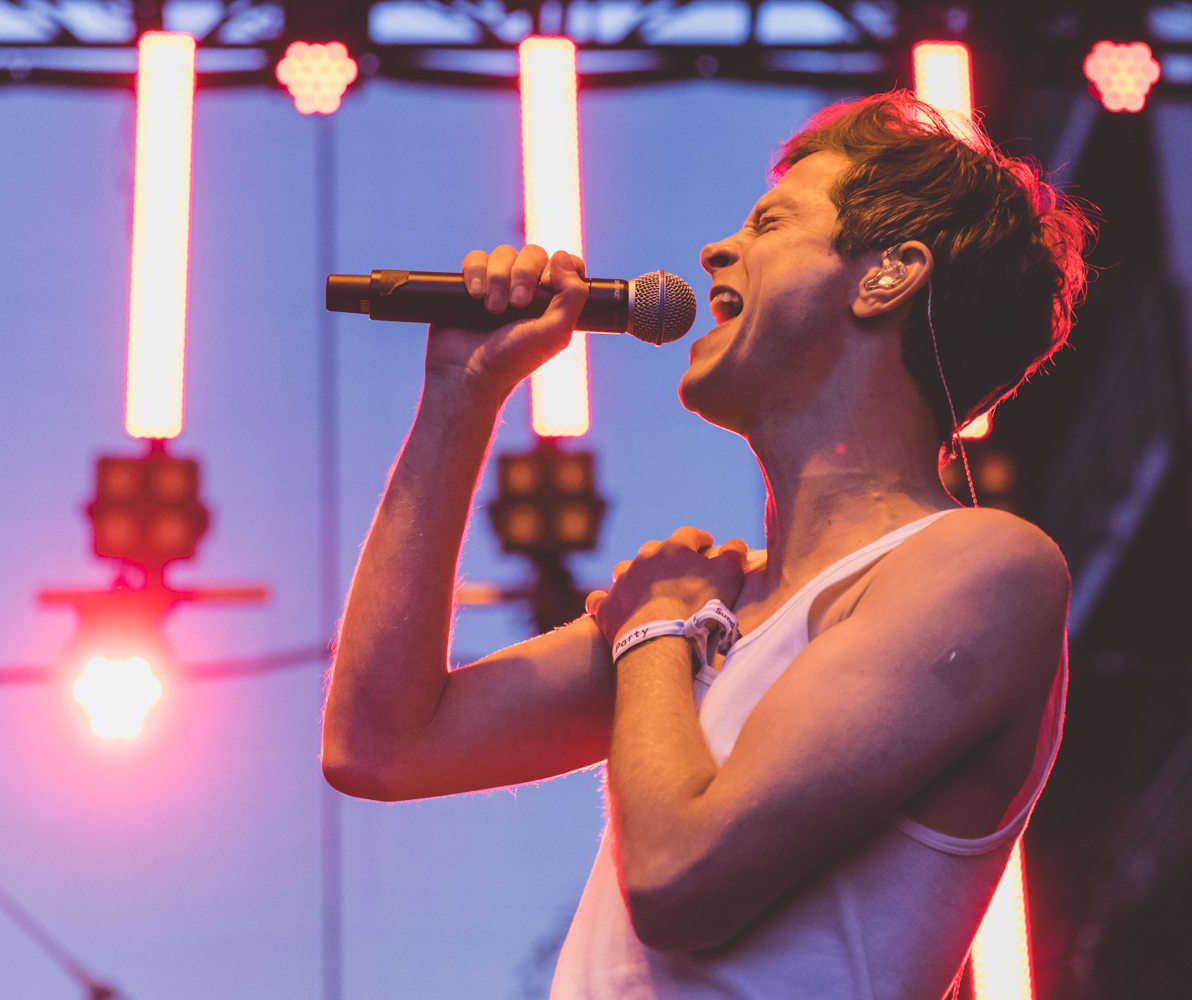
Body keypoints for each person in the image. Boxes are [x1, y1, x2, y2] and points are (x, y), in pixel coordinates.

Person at [321, 90, 1090, 999]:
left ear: (889, 275)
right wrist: (461, 394)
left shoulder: (984, 568)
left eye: (769, 223)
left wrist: (651, 634)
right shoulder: (710, 610)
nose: (717, 251)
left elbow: (681, 881)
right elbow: (379, 744)